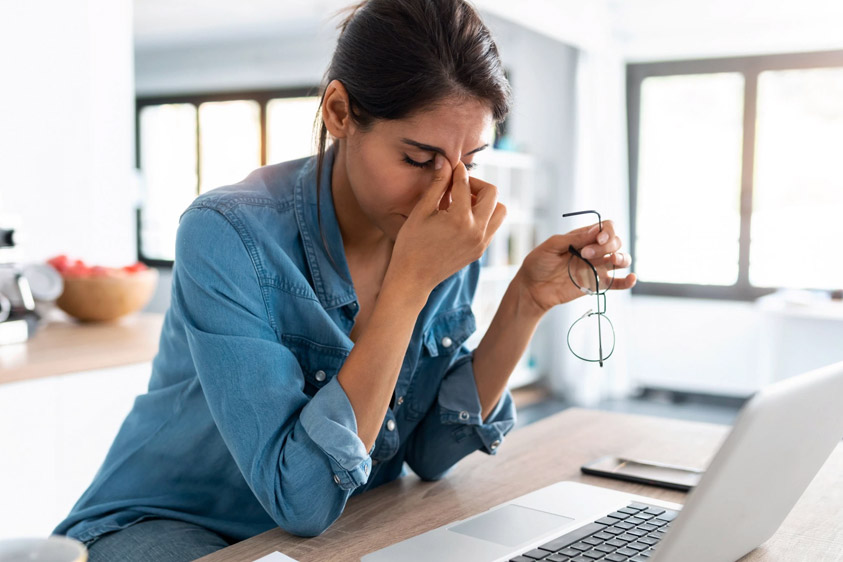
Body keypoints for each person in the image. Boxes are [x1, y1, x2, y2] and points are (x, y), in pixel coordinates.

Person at [53, 0, 635, 560]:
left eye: (471, 162)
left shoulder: (444, 230)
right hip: (170, 522)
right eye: (416, 158)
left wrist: (525, 302)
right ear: (338, 112)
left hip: (328, 531)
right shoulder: (226, 233)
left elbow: (432, 452)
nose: (449, 195)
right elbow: (300, 498)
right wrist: (409, 283)